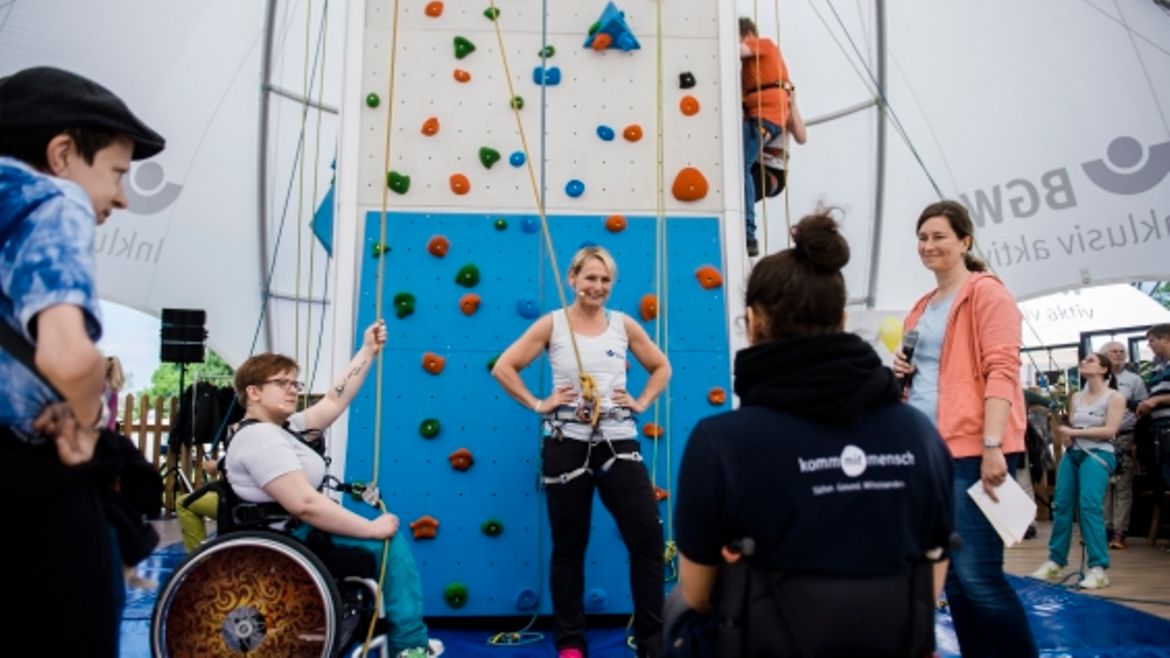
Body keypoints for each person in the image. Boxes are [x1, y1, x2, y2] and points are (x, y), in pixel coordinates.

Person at [665, 211, 953, 656]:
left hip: (767, 641)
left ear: (753, 320)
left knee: (676, 610)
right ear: (841, 319)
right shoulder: (918, 433)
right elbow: (932, 574)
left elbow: (699, 592)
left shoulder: (720, 442)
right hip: (894, 641)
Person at [0, 66, 165, 657]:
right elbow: (69, 357)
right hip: (31, 492)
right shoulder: (53, 199)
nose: (121, 197)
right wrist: (83, 417)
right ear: (63, 153)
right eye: (117, 173)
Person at [491, 245, 671, 658]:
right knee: (569, 547)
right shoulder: (553, 324)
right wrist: (540, 403)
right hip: (566, 445)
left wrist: (641, 401)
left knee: (647, 539)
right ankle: (570, 642)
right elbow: (504, 367)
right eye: (590, 278)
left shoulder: (623, 325)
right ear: (572, 280)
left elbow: (662, 367)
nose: (598, 286)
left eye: (605, 279)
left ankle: (652, 641)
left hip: (617, 441)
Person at [225, 320, 442, 658]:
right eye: (281, 383)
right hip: (289, 540)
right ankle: (409, 647)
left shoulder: (284, 428)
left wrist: (367, 351)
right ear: (253, 392)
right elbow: (306, 504)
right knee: (387, 545)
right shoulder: (260, 438)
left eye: (295, 383)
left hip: (295, 534)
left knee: (385, 540)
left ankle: (395, 635)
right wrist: (370, 528)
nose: (293, 389)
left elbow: (332, 402)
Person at [893, 200, 1038, 657]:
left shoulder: (986, 293)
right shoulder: (921, 306)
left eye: (938, 236)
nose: (928, 245)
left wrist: (993, 444)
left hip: (975, 449)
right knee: (951, 577)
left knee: (979, 575)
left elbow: (1002, 370)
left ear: (964, 242)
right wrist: (900, 371)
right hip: (928, 451)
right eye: (922, 237)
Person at [1031, 353, 1123, 589]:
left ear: (1104, 369)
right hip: (1074, 454)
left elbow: (1110, 430)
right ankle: (1056, 561)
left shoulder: (1114, 397)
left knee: (1089, 506)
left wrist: (1075, 433)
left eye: (1091, 360)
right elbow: (1073, 428)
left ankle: (1098, 568)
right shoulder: (1077, 398)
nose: (1084, 362)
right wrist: (1068, 435)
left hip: (1099, 454)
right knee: (1061, 505)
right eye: (1083, 360)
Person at [739, 17, 798, 257]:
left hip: (766, 117)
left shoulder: (762, 44)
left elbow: (735, 50)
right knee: (742, 165)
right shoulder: (752, 72)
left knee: (739, 165)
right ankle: (746, 228)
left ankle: (747, 232)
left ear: (747, 34)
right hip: (763, 116)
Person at [1101, 341, 1148, 549]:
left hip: (1125, 436)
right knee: (1102, 485)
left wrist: (1138, 440)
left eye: (1122, 352)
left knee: (1123, 486)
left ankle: (1120, 531)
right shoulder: (1096, 379)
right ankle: (1104, 528)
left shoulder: (1134, 380)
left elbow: (1143, 410)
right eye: (1114, 352)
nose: (1118, 355)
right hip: (1100, 437)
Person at [1138, 324, 1170, 494]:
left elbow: (1159, 398)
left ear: (1165, 339)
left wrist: (1157, 400)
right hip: (1160, 429)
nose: (1149, 345)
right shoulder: (1158, 367)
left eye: (1152, 341)